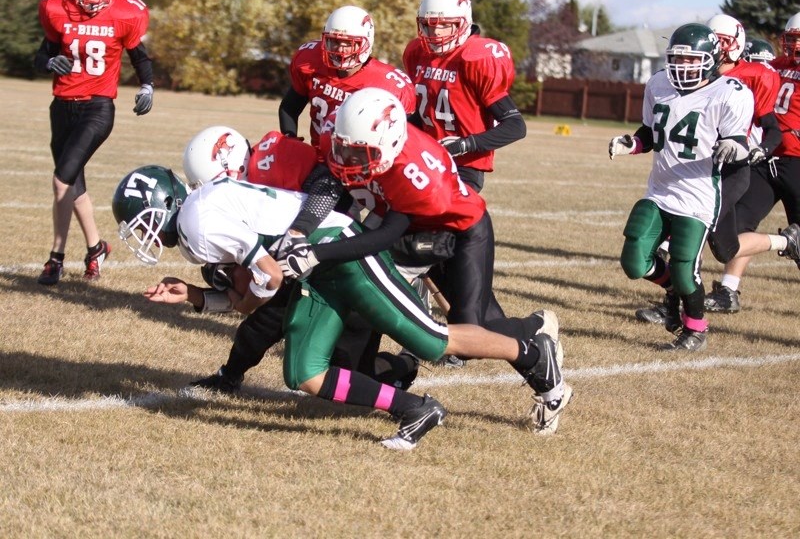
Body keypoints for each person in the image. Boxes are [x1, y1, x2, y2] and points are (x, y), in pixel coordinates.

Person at [111, 166, 572, 449]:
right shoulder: (199, 213)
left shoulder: (197, 222)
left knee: (432, 339)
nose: (142, 232)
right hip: (314, 265)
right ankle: (416, 408)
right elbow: (259, 283)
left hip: (338, 252)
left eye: (141, 219)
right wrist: (195, 296)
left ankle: (532, 352)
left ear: (163, 202)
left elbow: (268, 277)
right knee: (304, 371)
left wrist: (244, 302)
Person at [277, 88, 539, 351]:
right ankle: (375, 373)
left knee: (469, 331)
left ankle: (536, 329)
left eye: (361, 153)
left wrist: (316, 254)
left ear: (390, 144)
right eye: (344, 149)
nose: (348, 160)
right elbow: (330, 182)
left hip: (458, 229)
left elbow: (385, 236)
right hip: (402, 220)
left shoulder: (415, 173)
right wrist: (300, 230)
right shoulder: (341, 131)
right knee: (365, 298)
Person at [178, 126, 418, 393]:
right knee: (261, 322)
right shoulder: (248, 183)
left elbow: (327, 183)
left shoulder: (276, 159)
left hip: (338, 262)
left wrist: (298, 231)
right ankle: (229, 376)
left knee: (352, 369)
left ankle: (405, 363)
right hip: (300, 265)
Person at [609, 23, 755, 352]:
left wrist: (733, 147)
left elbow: (740, 143)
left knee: (685, 267)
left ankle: (695, 330)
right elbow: (650, 131)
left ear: (712, 58)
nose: (681, 66)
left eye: (690, 60)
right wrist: (630, 143)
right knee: (634, 260)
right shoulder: (659, 83)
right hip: (660, 190)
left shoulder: (729, 92)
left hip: (699, 196)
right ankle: (673, 290)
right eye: (677, 58)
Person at [634, 14, 783, 321]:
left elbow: (770, 128)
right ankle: (785, 241)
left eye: (725, 40)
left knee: (687, 238)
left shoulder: (751, 77)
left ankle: (677, 309)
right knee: (724, 248)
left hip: (727, 171)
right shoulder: (677, 78)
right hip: (695, 171)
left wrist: (756, 150)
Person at [34, 0, 153, 285]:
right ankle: (95, 248)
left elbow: (138, 56)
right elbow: (40, 56)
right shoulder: (58, 10)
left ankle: (55, 258)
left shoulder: (124, 15)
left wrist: (147, 85)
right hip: (62, 106)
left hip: (97, 108)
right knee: (73, 185)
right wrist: (49, 63)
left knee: (61, 180)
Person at [697, 12, 800, 313]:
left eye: (799, 40)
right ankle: (728, 290)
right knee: (734, 230)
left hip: (798, 163)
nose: (793, 46)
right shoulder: (771, 68)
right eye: (791, 39)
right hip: (765, 159)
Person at [403, 0, 526, 193]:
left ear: (463, 23)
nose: (435, 32)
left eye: (445, 25)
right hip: (423, 159)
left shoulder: (476, 58)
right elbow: (426, 115)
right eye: (428, 25)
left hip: (464, 167)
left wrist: (465, 144)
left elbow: (516, 126)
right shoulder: (417, 53)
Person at [278, 5, 415, 149]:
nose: (341, 50)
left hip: (362, 162)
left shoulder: (389, 85)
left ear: (366, 43)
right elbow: (289, 108)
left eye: (349, 43)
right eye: (335, 41)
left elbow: (403, 140)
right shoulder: (310, 61)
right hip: (319, 159)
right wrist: (290, 138)